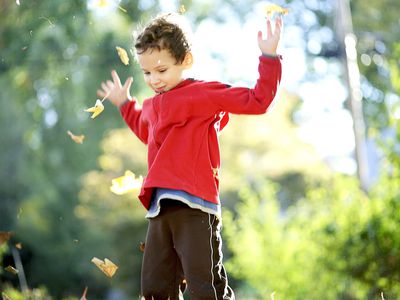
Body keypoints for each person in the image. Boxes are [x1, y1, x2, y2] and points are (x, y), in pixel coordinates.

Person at [97, 12, 282, 300]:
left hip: (196, 207)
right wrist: (125, 105)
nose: (154, 80)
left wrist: (269, 58)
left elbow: (258, 100)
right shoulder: (151, 105)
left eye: (161, 70)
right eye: (147, 73)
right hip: (160, 208)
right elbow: (147, 133)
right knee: (156, 287)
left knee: (203, 287)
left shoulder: (203, 93)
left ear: (186, 61)